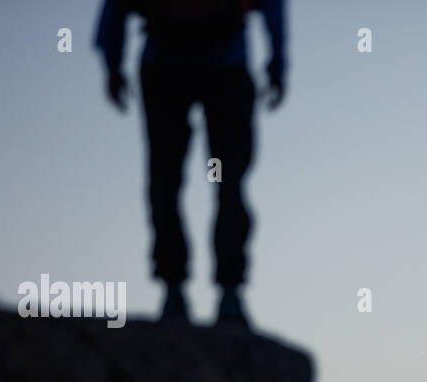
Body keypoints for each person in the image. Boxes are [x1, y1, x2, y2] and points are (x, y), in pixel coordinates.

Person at [95, 0, 286, 327]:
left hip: (186, 66)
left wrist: (113, 64)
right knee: (205, 183)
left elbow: (113, 13)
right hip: (199, 67)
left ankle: (192, 290)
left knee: (184, 182)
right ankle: (210, 291)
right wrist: (278, 59)